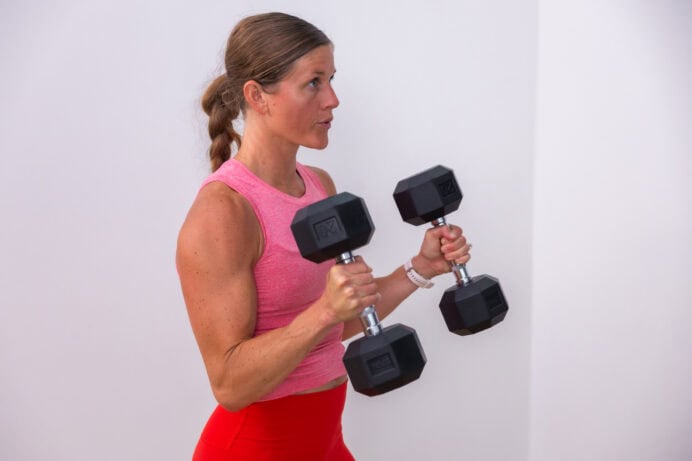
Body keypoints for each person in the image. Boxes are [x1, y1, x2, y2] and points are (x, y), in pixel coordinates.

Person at [176, 12, 471, 461]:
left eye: (331, 79)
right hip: (255, 449)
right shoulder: (225, 211)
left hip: (326, 443)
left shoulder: (318, 186)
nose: (333, 99)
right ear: (258, 96)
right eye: (313, 83)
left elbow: (334, 326)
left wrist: (420, 269)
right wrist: (323, 312)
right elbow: (230, 384)